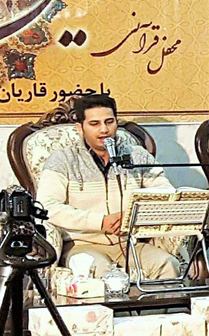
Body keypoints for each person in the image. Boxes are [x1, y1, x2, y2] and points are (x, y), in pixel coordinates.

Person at [36, 94, 180, 279]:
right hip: (82, 245)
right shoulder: (63, 160)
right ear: (80, 127)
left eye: (109, 122)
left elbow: (165, 194)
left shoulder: (137, 155)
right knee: (102, 273)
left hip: (130, 244)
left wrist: (132, 216)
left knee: (168, 264)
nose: (104, 130)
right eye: (94, 124)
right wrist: (101, 222)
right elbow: (47, 207)